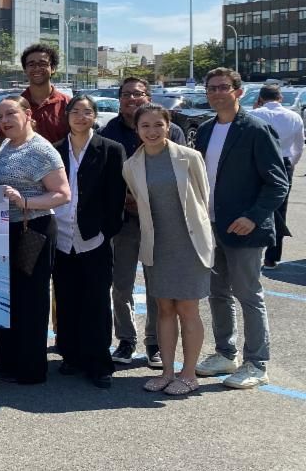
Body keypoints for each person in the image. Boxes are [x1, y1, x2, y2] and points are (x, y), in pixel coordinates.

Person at [193, 68, 289, 390]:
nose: (217, 92)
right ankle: (225, 353)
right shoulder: (205, 130)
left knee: (248, 295)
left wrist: (253, 216)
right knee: (217, 293)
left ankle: (257, 362)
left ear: (239, 92)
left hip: (245, 228)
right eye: (212, 88)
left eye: (223, 87)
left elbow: (277, 183)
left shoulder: (256, 130)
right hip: (211, 225)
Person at [122, 103, 213, 396]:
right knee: (163, 309)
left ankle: (188, 374)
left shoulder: (189, 157)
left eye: (157, 125)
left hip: (189, 243)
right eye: (145, 126)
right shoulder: (131, 166)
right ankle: (167, 372)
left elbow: (203, 197)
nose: (151, 131)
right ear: (136, 129)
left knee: (187, 308)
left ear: (168, 125)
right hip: (157, 245)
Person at [100, 77, 188, 368]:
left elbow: (181, 175)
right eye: (126, 95)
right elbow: (106, 176)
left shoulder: (171, 129)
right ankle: (125, 339)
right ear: (119, 99)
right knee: (121, 284)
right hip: (124, 219)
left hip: (161, 221)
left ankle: (155, 342)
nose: (132, 99)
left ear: (148, 96)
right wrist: (126, 200)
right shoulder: (109, 131)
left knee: (156, 284)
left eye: (138, 94)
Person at [0, 95, 71, 385]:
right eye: (0, 116)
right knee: (10, 297)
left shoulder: (41, 149)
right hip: (7, 229)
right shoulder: (6, 147)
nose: (4, 121)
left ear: (27, 115)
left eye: (11, 113)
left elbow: (63, 194)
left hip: (33, 228)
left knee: (31, 299)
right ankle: (9, 361)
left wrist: (25, 201)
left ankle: (31, 368)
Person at [51, 96, 126, 390]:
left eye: (88, 112)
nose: (81, 117)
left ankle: (98, 362)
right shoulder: (55, 150)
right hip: (62, 235)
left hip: (94, 236)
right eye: (76, 112)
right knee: (67, 298)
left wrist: (107, 231)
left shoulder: (110, 149)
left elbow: (116, 196)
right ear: (67, 116)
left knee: (96, 300)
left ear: (95, 116)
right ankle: (71, 355)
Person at [249, 84, 303, 268]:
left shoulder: (254, 114)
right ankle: (272, 257)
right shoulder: (294, 116)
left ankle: (251, 252)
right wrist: (291, 164)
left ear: (261, 98)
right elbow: (299, 146)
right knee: (279, 211)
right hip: (284, 161)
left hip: (257, 162)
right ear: (280, 98)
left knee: (252, 205)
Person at [20, 43, 70, 144]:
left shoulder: (68, 104)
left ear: (53, 68)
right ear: (25, 70)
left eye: (43, 64)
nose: (37, 68)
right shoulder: (16, 105)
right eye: (31, 64)